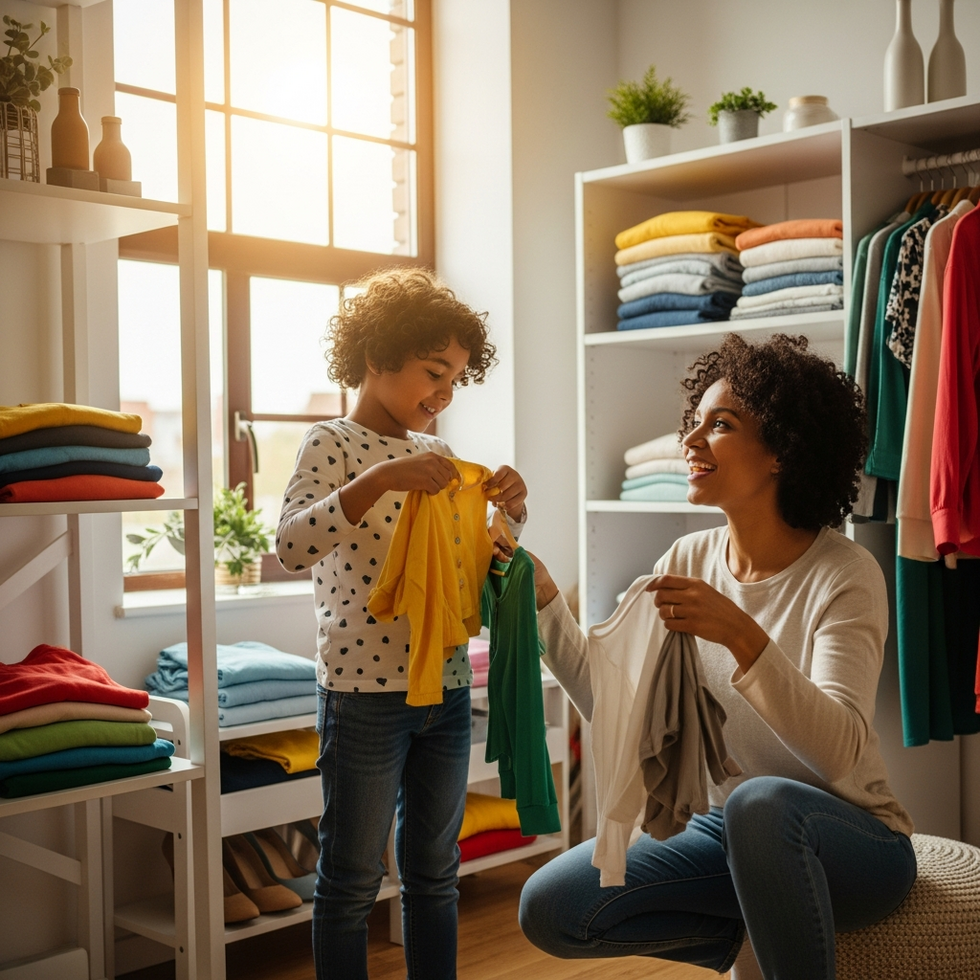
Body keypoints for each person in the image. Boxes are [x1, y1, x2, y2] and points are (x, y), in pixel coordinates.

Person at [519, 333, 916, 980]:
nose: (690, 441)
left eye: (721, 425)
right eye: (694, 423)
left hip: (854, 843)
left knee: (759, 804)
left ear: (783, 451)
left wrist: (741, 634)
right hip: (724, 833)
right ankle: (757, 933)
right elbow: (622, 708)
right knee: (553, 906)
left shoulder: (844, 574)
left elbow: (839, 752)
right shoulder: (687, 559)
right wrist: (543, 601)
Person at [277, 267, 528, 980]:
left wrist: (511, 513)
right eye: (434, 372)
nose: (445, 393)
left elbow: (475, 566)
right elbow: (291, 546)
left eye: (456, 380)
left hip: (445, 689)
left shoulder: (441, 458)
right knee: (351, 880)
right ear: (376, 355)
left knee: (435, 874)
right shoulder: (330, 444)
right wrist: (382, 478)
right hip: (362, 697)